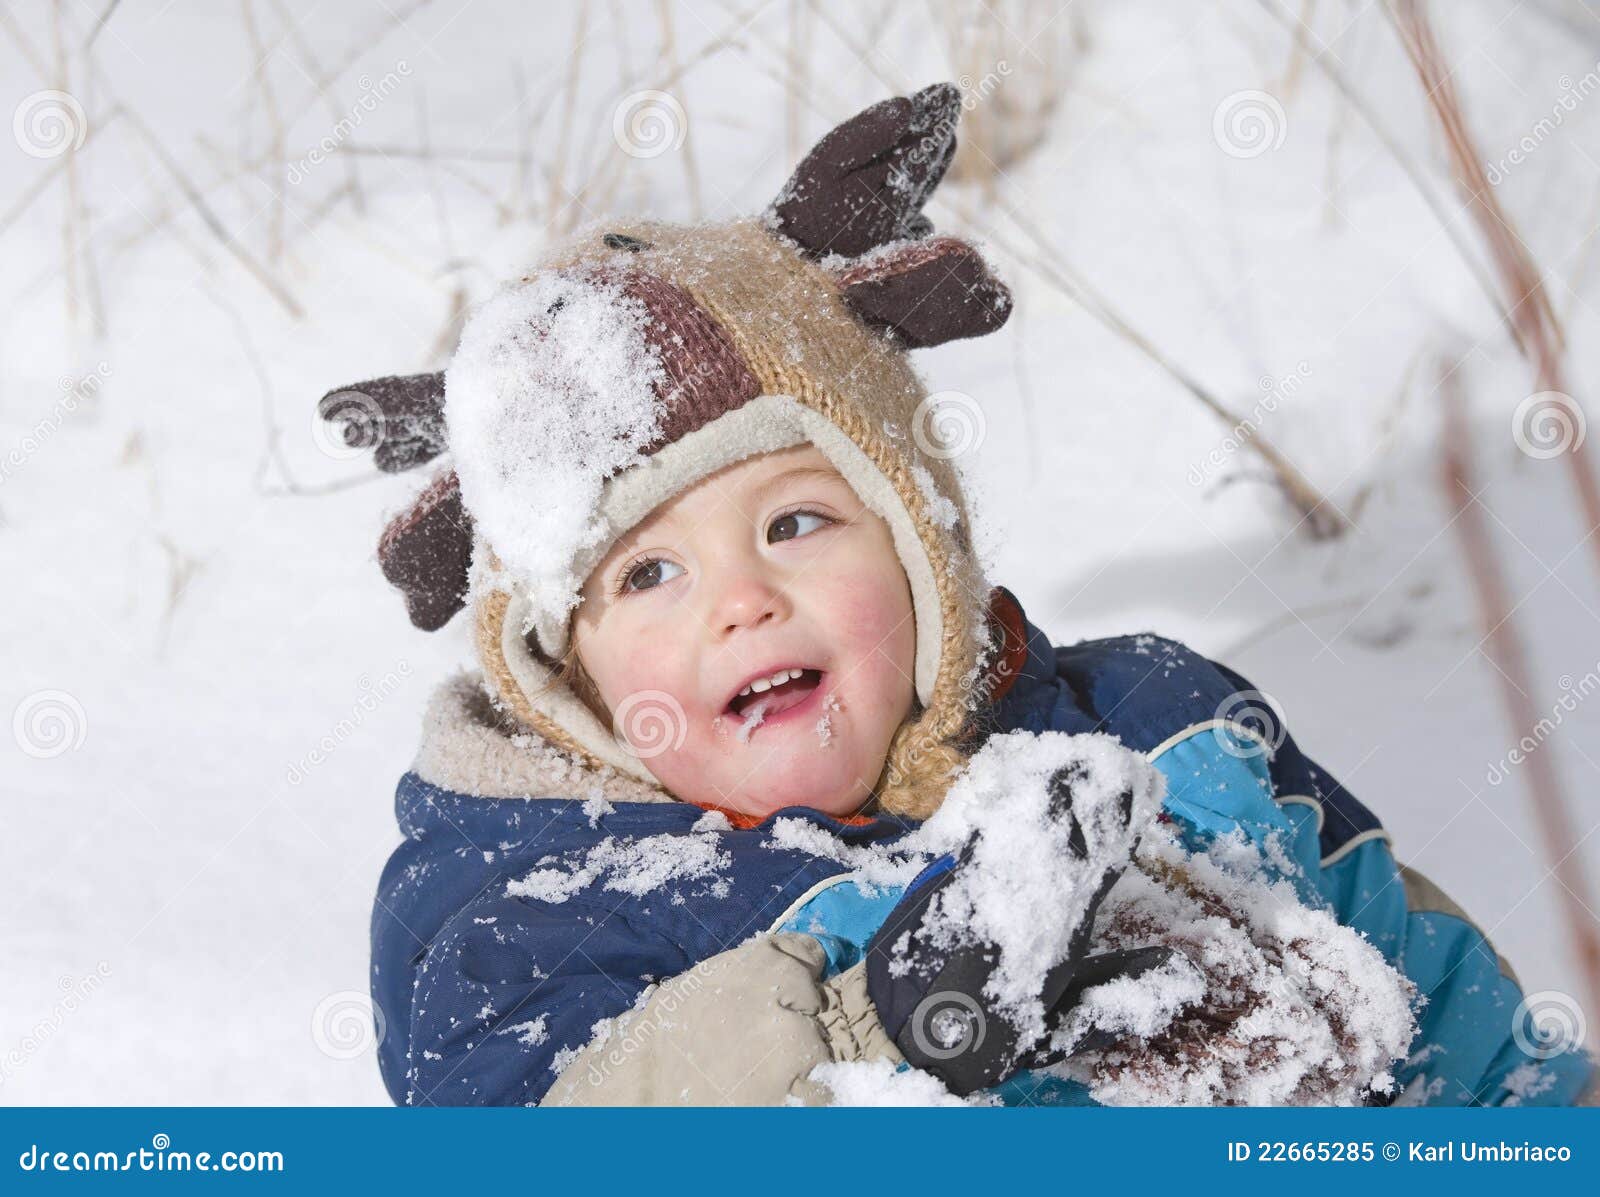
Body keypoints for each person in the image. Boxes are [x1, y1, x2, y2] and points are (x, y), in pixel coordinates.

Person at [321, 83, 1597, 1108]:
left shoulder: (1166, 734)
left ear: (920, 547)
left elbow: (1458, 1038)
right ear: (566, 672)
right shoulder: (529, 915)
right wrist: (882, 1013)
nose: (742, 602)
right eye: (649, 574)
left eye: (796, 521)